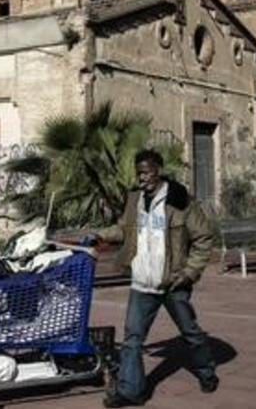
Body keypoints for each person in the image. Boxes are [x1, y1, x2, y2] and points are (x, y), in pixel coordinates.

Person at [91, 149, 219, 407]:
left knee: (190, 332)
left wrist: (190, 272)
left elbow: (204, 237)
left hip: (173, 282)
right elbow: (124, 230)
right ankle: (131, 391)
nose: (142, 178)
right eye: (139, 173)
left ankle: (207, 372)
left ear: (158, 170)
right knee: (132, 339)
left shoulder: (179, 200)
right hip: (142, 282)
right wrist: (100, 234)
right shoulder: (134, 199)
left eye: (147, 172)